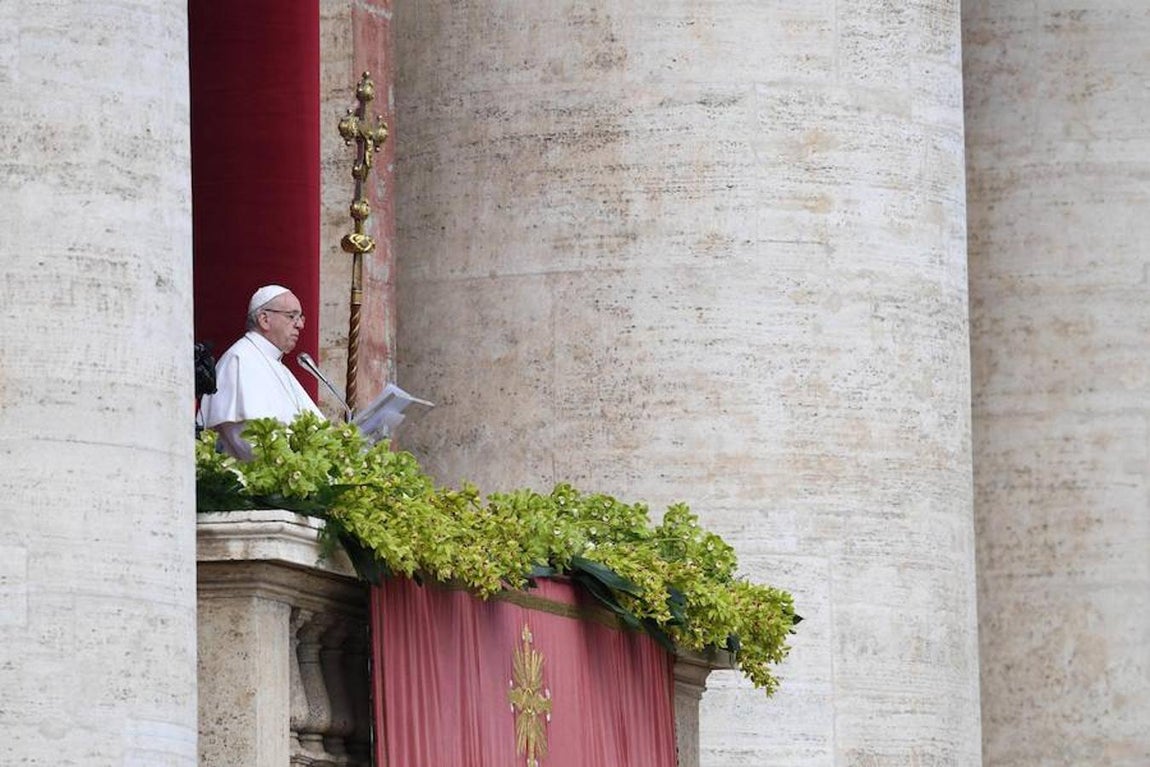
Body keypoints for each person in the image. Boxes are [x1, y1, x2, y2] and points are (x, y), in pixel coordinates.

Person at [199, 284, 323, 459]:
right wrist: (288, 466)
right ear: (264, 319)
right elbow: (243, 435)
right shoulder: (240, 359)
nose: (300, 325)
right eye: (292, 316)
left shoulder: (278, 366)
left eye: (301, 317)